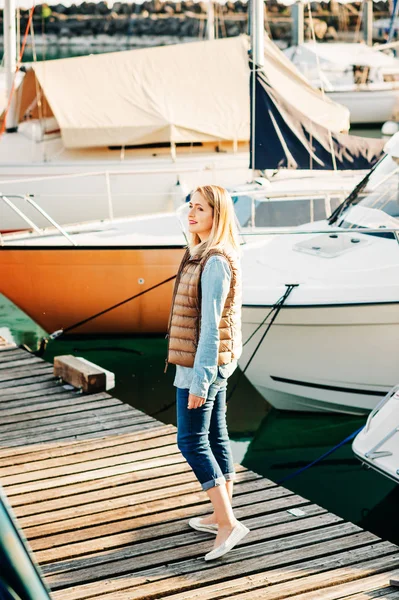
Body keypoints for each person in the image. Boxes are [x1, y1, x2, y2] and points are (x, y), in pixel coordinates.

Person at [165, 184, 249, 561]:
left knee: (191, 441)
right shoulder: (200, 254)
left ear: (218, 215)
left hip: (202, 367)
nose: (192, 213)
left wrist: (200, 380)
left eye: (201, 208)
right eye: (190, 206)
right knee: (215, 436)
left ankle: (229, 523)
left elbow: (212, 327)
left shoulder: (214, 261)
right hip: (207, 363)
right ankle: (221, 514)